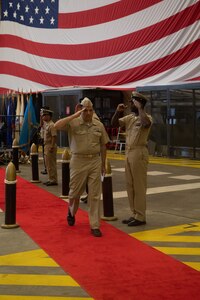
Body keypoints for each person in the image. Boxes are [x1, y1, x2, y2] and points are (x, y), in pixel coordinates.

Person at [54, 97, 109, 237]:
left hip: (95, 161)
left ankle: (95, 225)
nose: (89, 113)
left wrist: (103, 163)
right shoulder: (73, 123)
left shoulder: (98, 125)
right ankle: (71, 211)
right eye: (86, 110)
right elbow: (56, 126)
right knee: (74, 193)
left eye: (91, 110)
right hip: (78, 161)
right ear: (80, 109)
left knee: (95, 195)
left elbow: (103, 145)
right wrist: (75, 115)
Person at [111, 92, 152, 226]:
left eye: (132, 102)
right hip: (128, 152)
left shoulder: (146, 117)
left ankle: (141, 216)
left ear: (139, 103)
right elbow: (114, 123)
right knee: (130, 185)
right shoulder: (130, 118)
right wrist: (118, 112)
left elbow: (145, 124)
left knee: (139, 185)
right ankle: (134, 213)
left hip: (139, 152)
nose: (130, 104)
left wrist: (140, 108)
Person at [41, 108, 58, 186]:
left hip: (50, 145)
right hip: (46, 145)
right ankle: (50, 178)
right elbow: (41, 124)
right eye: (43, 115)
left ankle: (53, 179)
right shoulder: (46, 124)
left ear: (49, 116)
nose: (43, 117)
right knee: (48, 164)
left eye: (45, 115)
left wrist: (51, 146)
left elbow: (54, 136)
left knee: (51, 164)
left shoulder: (51, 125)